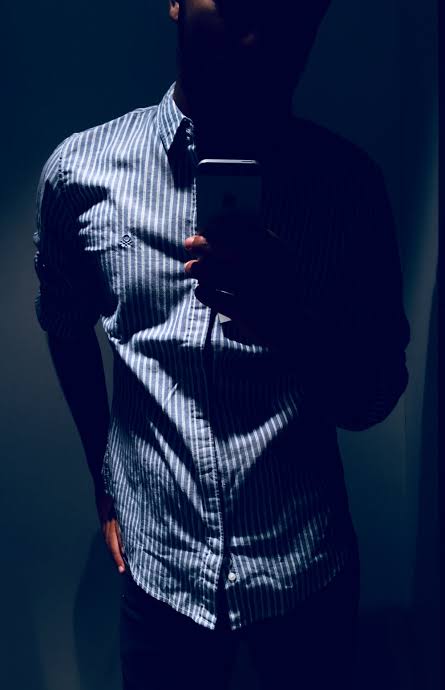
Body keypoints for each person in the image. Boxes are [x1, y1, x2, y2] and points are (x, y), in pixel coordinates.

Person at [32, 1, 411, 688]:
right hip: (160, 572)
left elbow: (373, 397)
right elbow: (64, 322)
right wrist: (103, 479)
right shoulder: (81, 175)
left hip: (304, 572)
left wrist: (290, 320)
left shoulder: (348, 190)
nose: (262, 29)